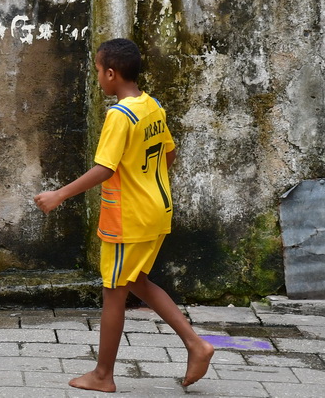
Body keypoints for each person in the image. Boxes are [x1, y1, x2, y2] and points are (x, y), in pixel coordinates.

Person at [33, 38, 214, 393]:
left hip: (127, 219)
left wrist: (59, 194)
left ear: (111, 74)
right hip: (157, 211)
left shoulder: (119, 115)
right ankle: (196, 345)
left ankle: (103, 375)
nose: (98, 76)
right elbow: (169, 155)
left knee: (114, 291)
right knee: (137, 281)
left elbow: (104, 168)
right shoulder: (151, 106)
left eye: (99, 71)